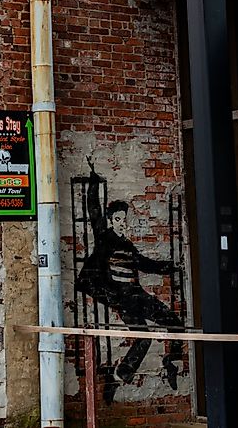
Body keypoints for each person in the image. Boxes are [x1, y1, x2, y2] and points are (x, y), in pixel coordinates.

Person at [76, 158, 185, 389]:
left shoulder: (128, 245)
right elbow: (94, 210)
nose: (121, 224)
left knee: (175, 324)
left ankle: (171, 361)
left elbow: (144, 264)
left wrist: (170, 267)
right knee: (143, 335)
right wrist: (94, 179)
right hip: (121, 297)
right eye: (117, 220)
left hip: (136, 294)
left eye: (124, 220)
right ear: (110, 221)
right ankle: (121, 374)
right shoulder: (105, 238)